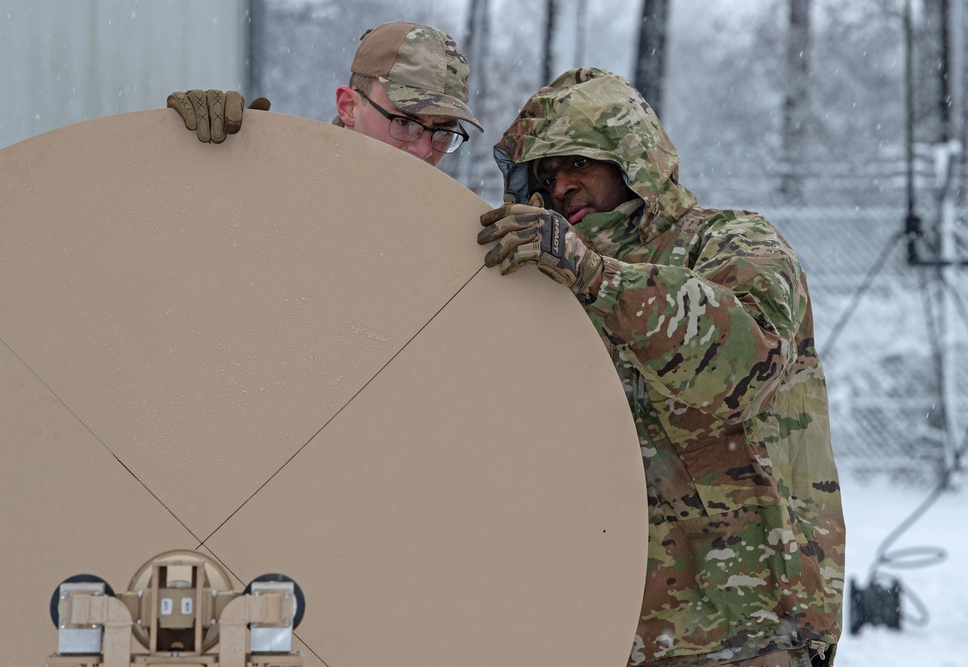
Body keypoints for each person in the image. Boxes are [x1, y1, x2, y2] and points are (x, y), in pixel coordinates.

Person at [476, 68, 845, 667]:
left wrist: (596, 277)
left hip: (741, 631)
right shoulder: (543, 284)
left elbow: (738, 369)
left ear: (631, 159)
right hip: (601, 628)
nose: (562, 185)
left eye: (578, 163)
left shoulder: (730, 242)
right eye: (545, 174)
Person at [165, 21, 483, 168]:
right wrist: (203, 160)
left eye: (443, 131)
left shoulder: (458, 234)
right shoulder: (284, 179)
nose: (424, 150)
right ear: (348, 106)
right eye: (404, 122)